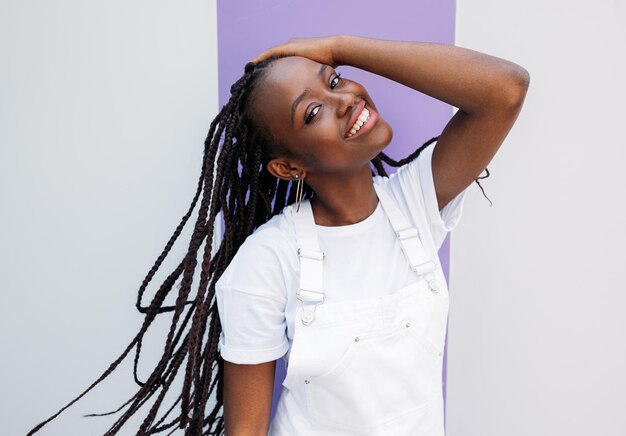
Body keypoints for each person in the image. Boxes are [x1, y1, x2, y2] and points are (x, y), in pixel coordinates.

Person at [28, 35, 529, 436]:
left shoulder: (416, 203)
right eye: (311, 113)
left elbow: (506, 89)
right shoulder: (267, 261)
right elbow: (247, 430)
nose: (345, 99)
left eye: (334, 81)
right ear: (287, 167)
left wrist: (339, 47)